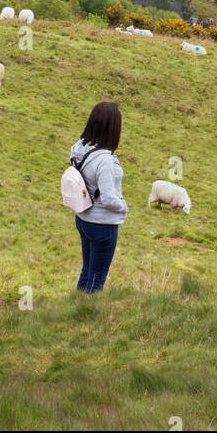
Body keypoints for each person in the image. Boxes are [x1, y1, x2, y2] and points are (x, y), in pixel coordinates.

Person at [70, 101, 127, 293]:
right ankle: (87, 317)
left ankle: (76, 310)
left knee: (87, 272)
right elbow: (109, 198)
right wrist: (123, 206)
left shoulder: (80, 148)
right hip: (102, 224)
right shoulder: (104, 160)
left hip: (83, 217)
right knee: (97, 280)